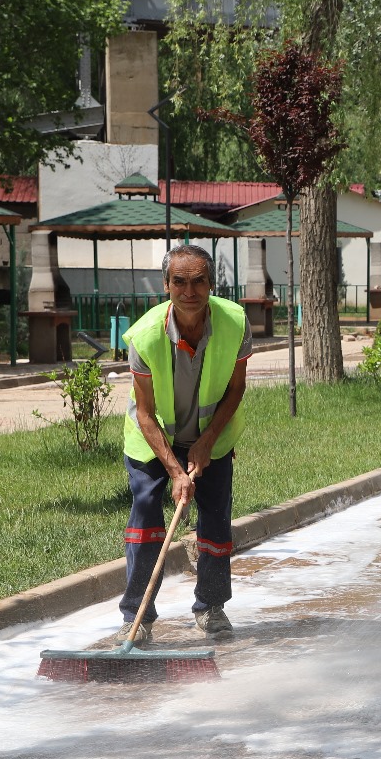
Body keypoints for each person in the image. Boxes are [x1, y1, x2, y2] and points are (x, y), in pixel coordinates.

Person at [119, 243, 251, 643]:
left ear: (211, 284)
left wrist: (207, 442)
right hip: (152, 440)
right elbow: (144, 414)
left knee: (215, 520)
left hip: (213, 435)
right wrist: (175, 470)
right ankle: (136, 618)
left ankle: (211, 607)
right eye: (180, 282)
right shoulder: (144, 336)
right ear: (166, 285)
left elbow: (235, 390)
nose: (189, 292)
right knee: (146, 518)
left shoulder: (236, 323)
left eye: (198, 282)